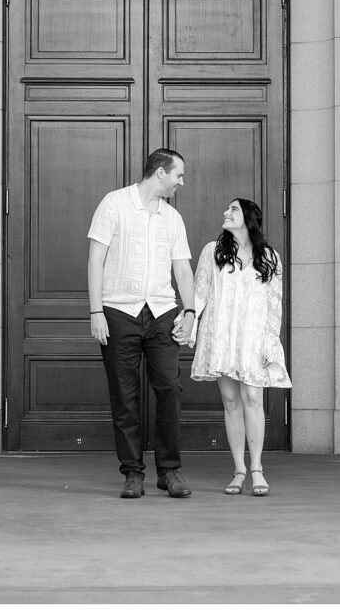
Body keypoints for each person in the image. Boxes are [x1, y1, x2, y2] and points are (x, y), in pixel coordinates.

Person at [87, 148, 195, 499]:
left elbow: (182, 268)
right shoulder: (114, 204)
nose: (181, 181)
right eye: (178, 175)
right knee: (125, 397)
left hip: (162, 312)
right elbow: (95, 260)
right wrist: (95, 311)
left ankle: (169, 471)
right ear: (160, 172)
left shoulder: (172, 218)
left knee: (169, 391)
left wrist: (190, 312)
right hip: (118, 312)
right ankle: (133, 473)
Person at [189, 198, 291, 496]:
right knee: (231, 401)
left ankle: (257, 469)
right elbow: (200, 293)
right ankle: (239, 470)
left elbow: (275, 307)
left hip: (252, 338)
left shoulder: (269, 257)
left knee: (253, 398)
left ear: (248, 218)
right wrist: (191, 328)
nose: (226, 213)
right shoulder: (213, 251)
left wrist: (270, 345)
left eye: (233, 209)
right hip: (221, 336)